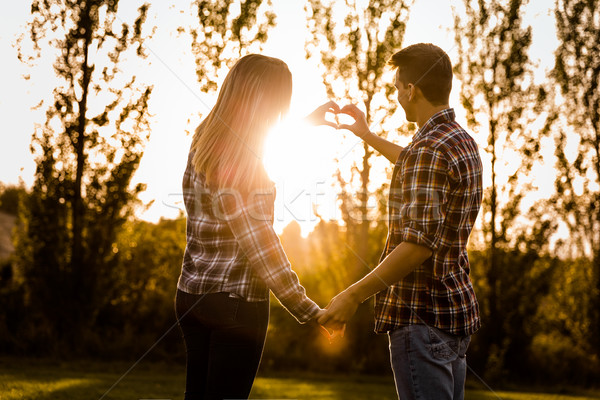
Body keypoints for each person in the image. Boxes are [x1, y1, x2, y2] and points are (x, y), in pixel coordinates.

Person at [316, 43, 483, 400]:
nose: (396, 95)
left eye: (396, 87)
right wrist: (365, 134)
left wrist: (353, 295)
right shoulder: (458, 141)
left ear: (412, 89)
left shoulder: (429, 149)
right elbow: (411, 159)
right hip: (453, 313)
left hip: (422, 318)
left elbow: (417, 246)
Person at [175, 54, 324, 400]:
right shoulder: (246, 159)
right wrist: (308, 309)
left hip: (192, 296)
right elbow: (260, 243)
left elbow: (259, 132)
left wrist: (305, 124)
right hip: (236, 303)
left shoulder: (205, 137)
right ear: (266, 102)